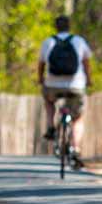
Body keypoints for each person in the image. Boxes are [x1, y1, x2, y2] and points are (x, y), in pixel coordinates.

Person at [38, 15, 92, 166]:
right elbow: (86, 63)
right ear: (69, 26)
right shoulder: (79, 41)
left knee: (49, 101)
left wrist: (41, 79)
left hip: (53, 84)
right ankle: (75, 148)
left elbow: (41, 64)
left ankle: (50, 126)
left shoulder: (48, 42)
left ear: (56, 27)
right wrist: (88, 79)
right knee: (78, 118)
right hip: (76, 85)